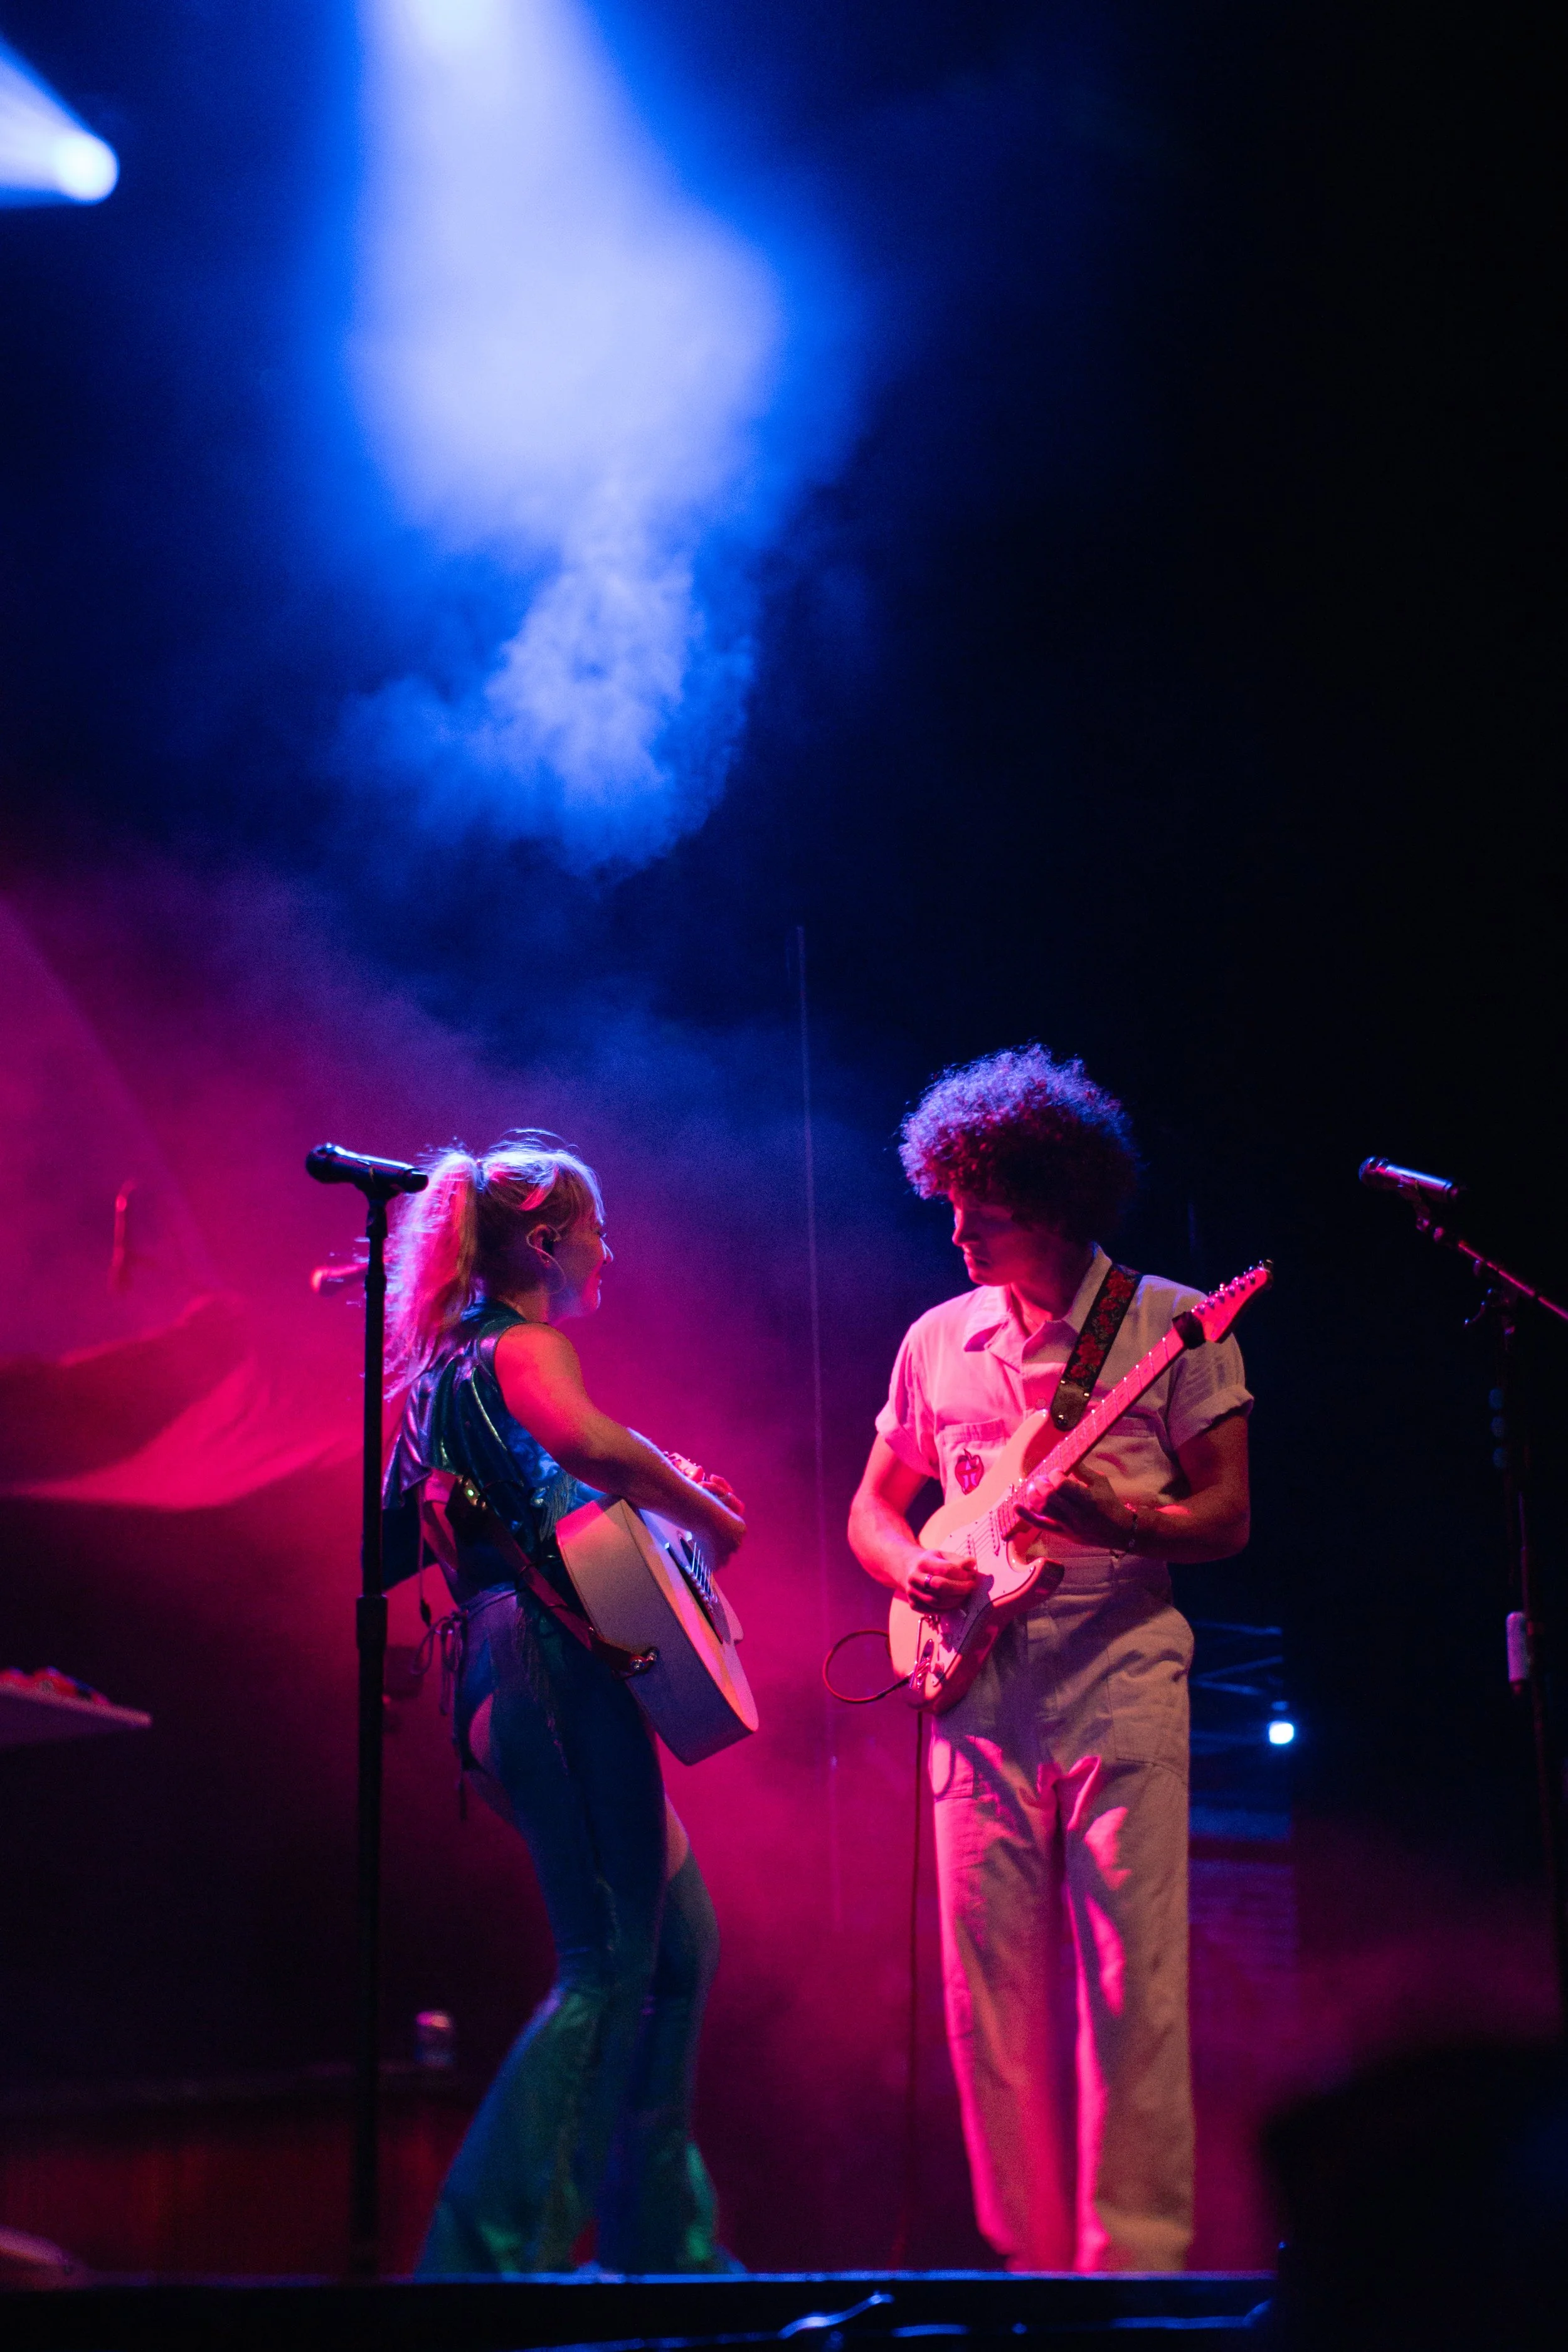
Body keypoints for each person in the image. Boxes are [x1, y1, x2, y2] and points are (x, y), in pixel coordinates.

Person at [848, 1048, 1252, 2274]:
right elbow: (873, 1509)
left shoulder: (1167, 1322)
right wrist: (904, 1569)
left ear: (1059, 1204)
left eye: (989, 1209)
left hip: (1116, 1659)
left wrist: (1123, 1521)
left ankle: (1129, 2265)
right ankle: (1020, 2266)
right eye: (952, 1201)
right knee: (987, 1999)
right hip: (971, 1677)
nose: (958, 1228)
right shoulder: (934, 1340)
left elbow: (1228, 1517)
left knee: (1135, 1979)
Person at [380, 1133, 747, 2276]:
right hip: (547, 1665)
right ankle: (489, 2267)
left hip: (499, 1677)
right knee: (605, 1961)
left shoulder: (445, 1364)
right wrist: (711, 1517)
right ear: (547, 1241)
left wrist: (644, 1494)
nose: (609, 1248)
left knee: (678, 1946)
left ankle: (663, 2249)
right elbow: (587, 1443)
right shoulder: (524, 1345)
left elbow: (517, 1506)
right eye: (595, 1229)